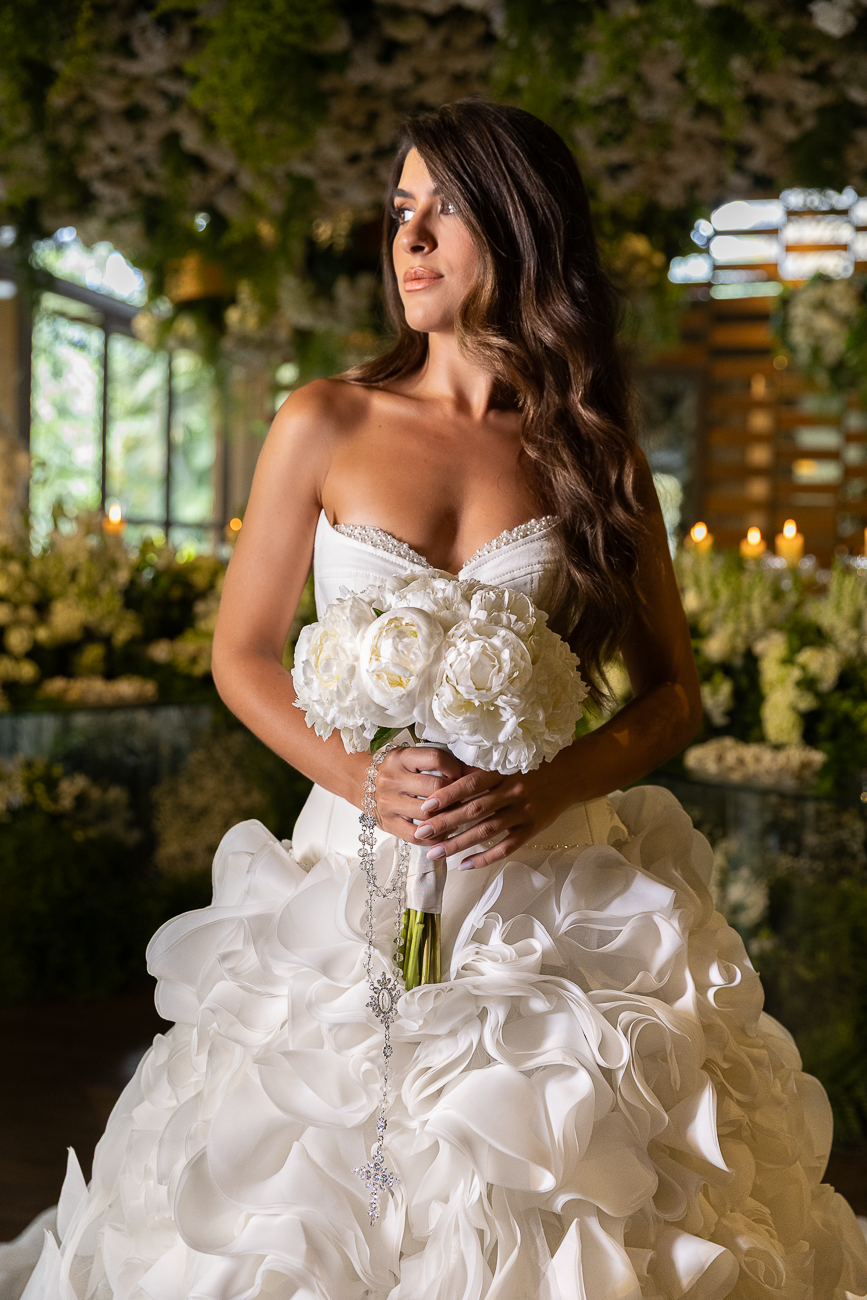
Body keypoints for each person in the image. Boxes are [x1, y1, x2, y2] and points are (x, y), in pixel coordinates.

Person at [5, 98, 867, 1300]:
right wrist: (356, 773)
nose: (408, 241)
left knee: (566, 1195)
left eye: (443, 210)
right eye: (399, 212)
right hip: (348, 882)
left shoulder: (594, 453)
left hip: (547, 899)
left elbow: (674, 698)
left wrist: (545, 788)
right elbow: (241, 655)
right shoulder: (325, 419)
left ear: (521, 231)